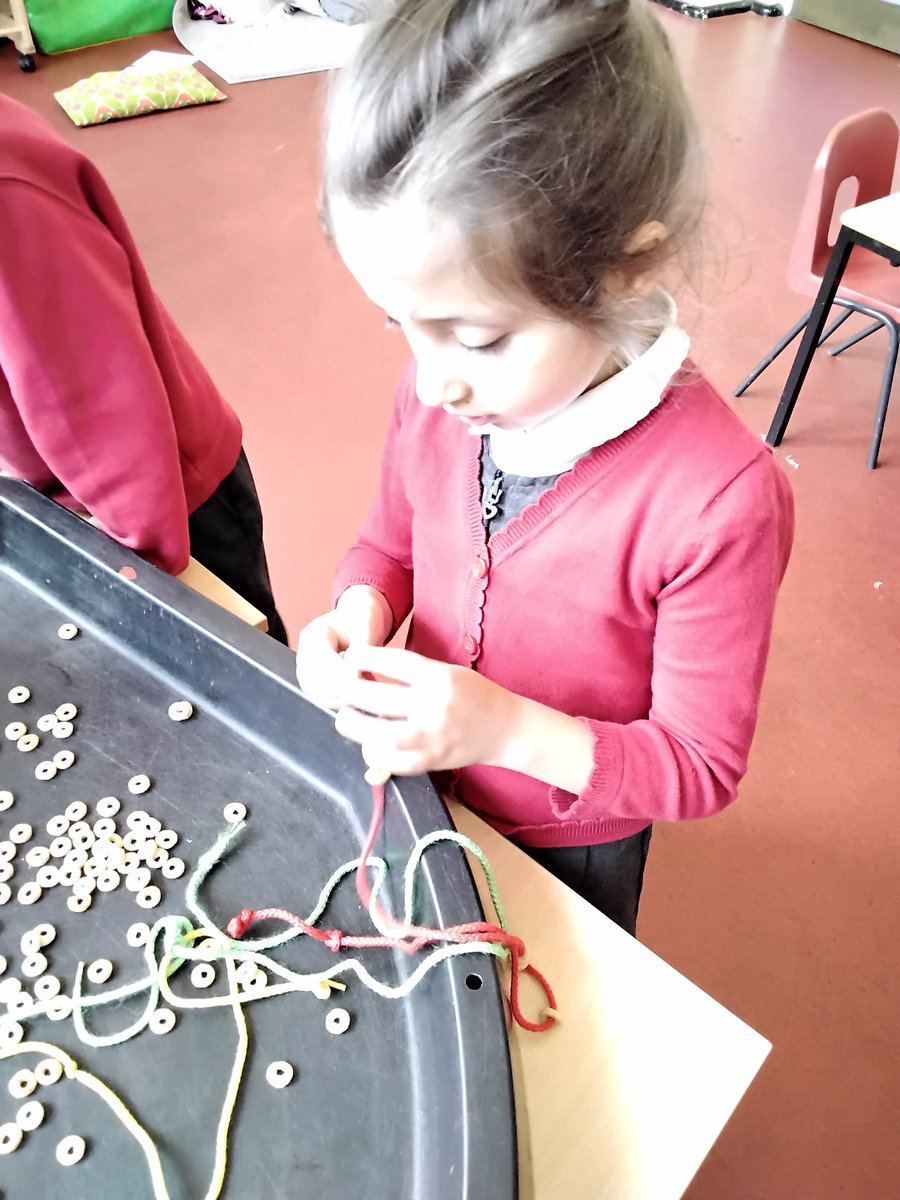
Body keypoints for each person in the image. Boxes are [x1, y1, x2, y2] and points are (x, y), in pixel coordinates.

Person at [295, 0, 794, 934]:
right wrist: (358, 615)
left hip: (572, 841)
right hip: (424, 789)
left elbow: (698, 764)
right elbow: (387, 547)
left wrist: (503, 730)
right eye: (399, 323)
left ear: (629, 267)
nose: (434, 382)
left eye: (479, 337)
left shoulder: (718, 502)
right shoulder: (439, 396)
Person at [0, 92, 287, 645]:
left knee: (237, 662)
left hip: (163, 502)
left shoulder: (9, 195)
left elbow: (95, 401)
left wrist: (144, 584)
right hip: (71, 492)